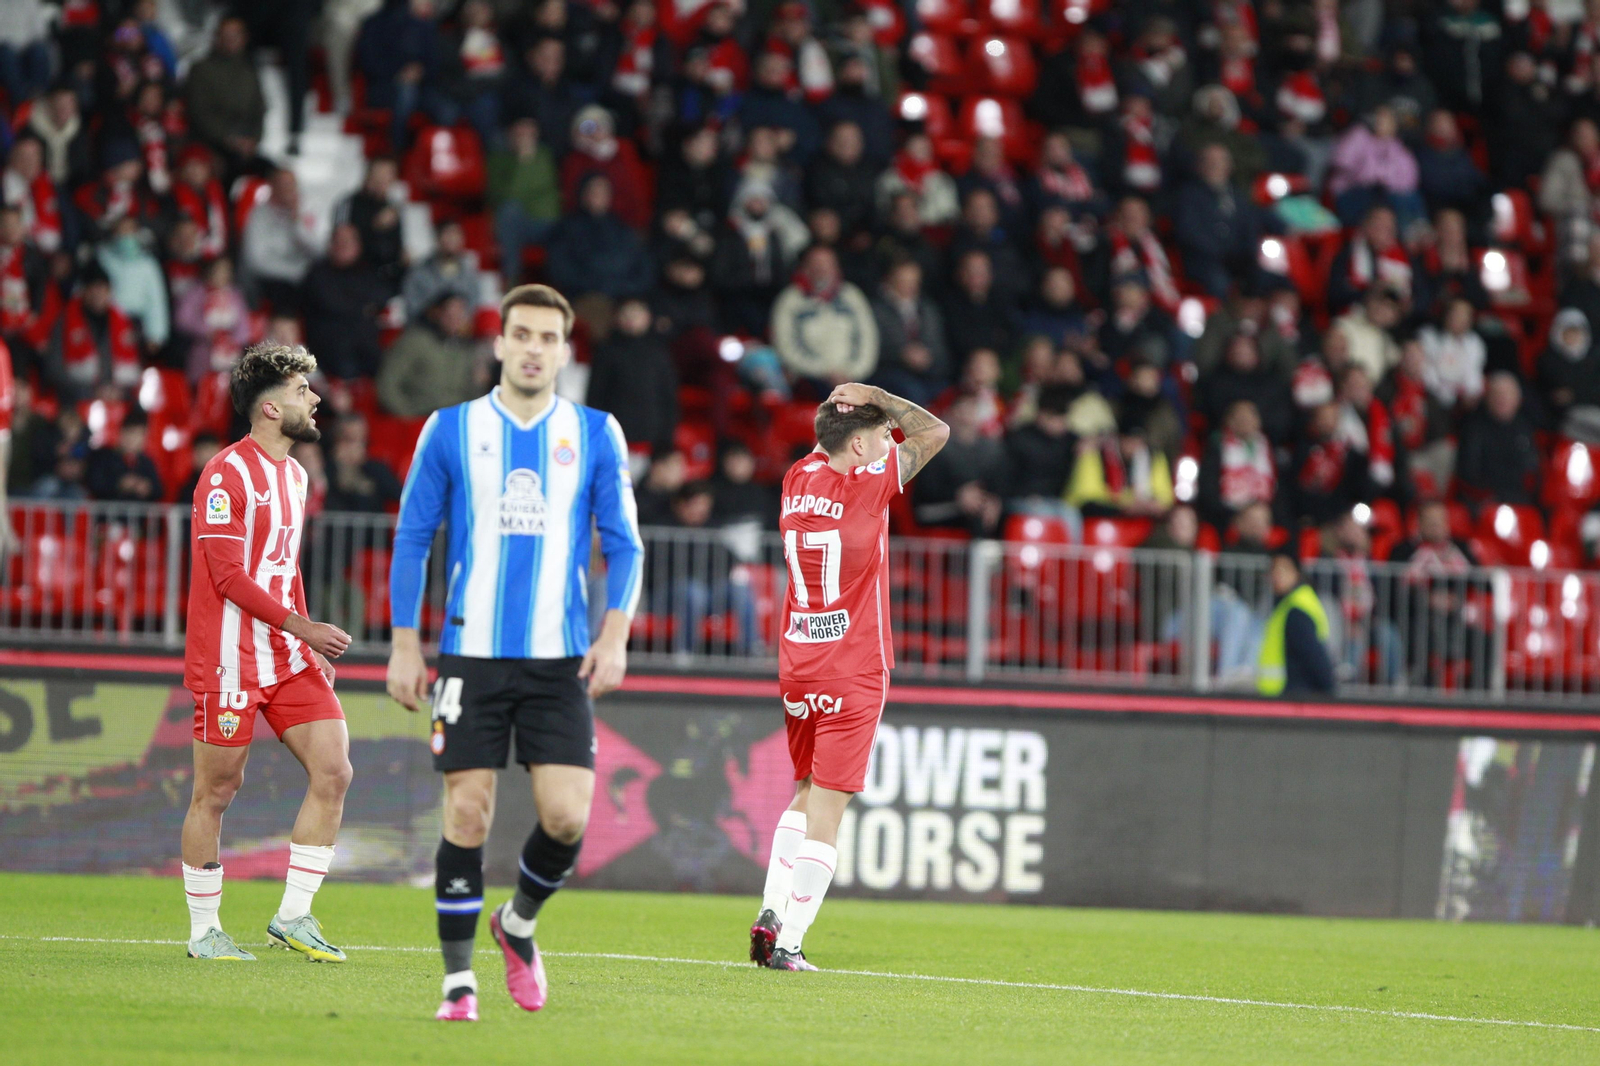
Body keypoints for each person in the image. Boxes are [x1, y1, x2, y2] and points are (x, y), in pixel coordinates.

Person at [385, 284, 644, 1022]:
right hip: (470, 654)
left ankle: (518, 923)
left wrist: (615, 631)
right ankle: (457, 986)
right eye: (521, 335)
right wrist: (406, 642)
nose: (533, 348)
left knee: (567, 817)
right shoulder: (450, 429)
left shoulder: (596, 432)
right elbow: (412, 538)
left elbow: (625, 545)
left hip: (558, 659)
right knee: (466, 813)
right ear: (498, 344)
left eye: (547, 338)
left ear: (565, 351)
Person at [753, 382, 950, 971]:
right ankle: (788, 942)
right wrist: (877, 396)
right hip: (853, 666)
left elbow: (829, 443)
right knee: (829, 814)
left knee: (806, 790)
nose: (884, 444)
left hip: (797, 663)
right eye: (876, 439)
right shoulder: (869, 488)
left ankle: (770, 910)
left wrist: (841, 415)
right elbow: (935, 432)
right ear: (860, 443)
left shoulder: (797, 478)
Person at [179, 343, 354, 963]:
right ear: (272, 408)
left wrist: (304, 637)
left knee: (334, 770)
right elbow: (227, 576)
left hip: (285, 656)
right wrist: (306, 629)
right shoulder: (226, 473)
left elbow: (283, 566)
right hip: (228, 658)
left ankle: (294, 917)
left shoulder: (297, 475)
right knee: (217, 792)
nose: (316, 399)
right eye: (304, 390)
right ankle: (205, 932)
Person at [1256, 547, 1335, 696]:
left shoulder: (1297, 610)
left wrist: (1329, 694)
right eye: (1274, 569)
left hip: (1296, 696)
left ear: (1296, 573)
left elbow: (1314, 656)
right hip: (1287, 696)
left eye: (1283, 569)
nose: (1277, 575)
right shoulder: (1287, 604)